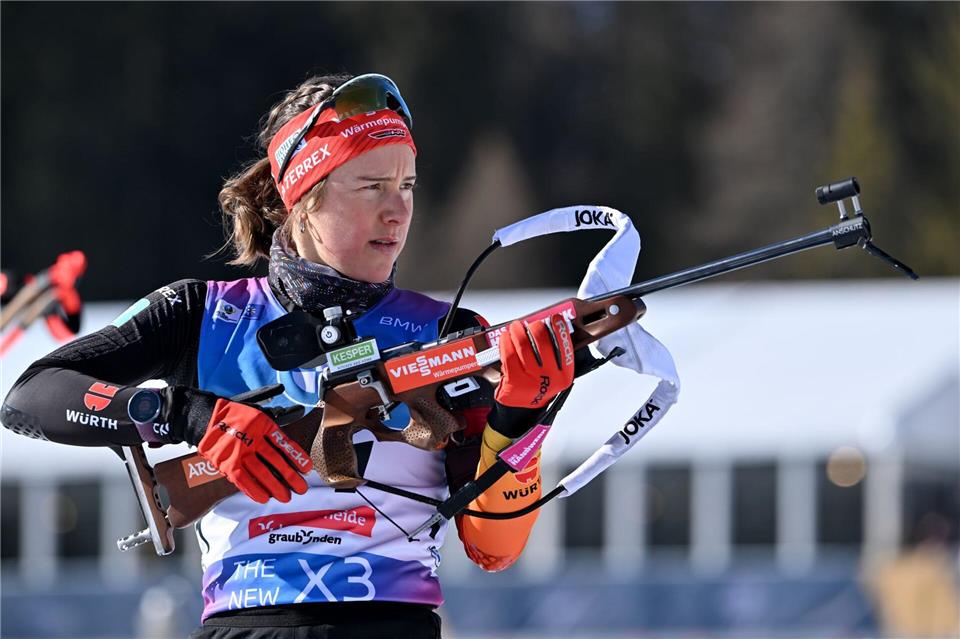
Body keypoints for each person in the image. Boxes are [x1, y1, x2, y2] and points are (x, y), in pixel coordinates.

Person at [1, 72, 575, 638]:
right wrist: (188, 414)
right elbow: (31, 395)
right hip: (244, 621)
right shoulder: (202, 314)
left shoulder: (452, 332)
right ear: (300, 195)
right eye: (371, 185)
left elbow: (495, 547)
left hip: (390, 624)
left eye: (407, 185)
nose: (397, 211)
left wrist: (521, 418)